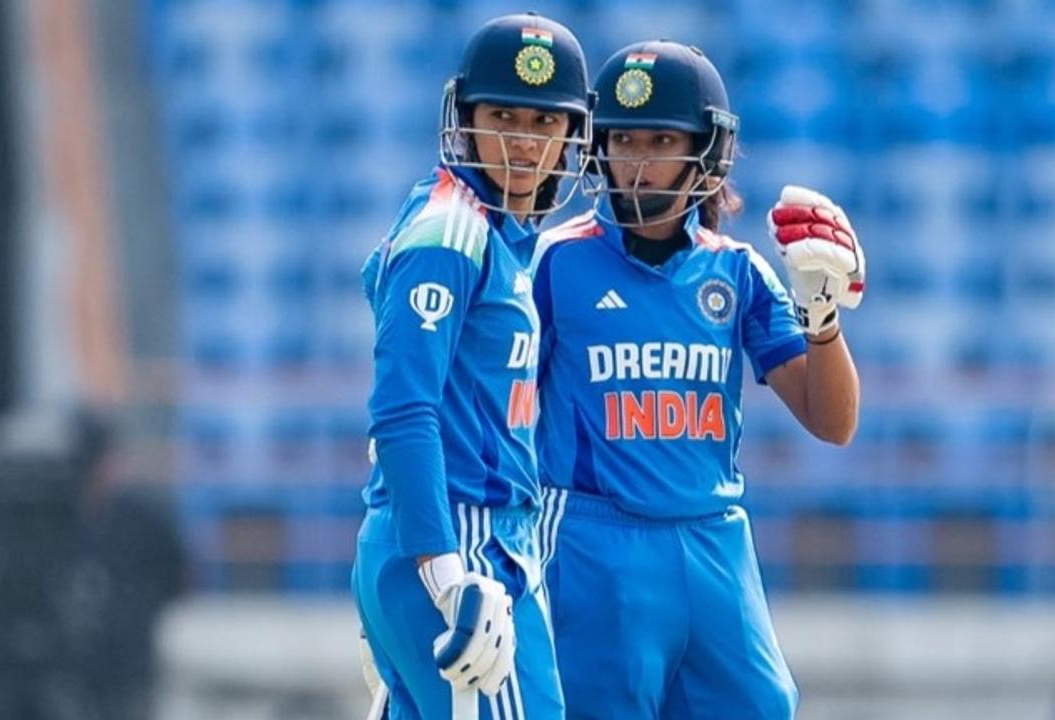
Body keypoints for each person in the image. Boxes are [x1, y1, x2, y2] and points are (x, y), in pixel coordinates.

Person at [531, 40, 864, 719]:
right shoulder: (556, 262)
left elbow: (833, 423)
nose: (639, 161)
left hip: (714, 540)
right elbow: (495, 403)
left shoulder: (737, 271)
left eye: (662, 139)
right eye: (624, 139)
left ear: (706, 153)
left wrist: (822, 317)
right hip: (596, 543)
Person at [352, 12, 593, 720]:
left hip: (464, 539)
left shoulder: (494, 233)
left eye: (545, 125)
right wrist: (445, 571)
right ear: (466, 118)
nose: (524, 143)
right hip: (461, 539)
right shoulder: (451, 230)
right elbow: (402, 410)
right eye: (504, 116)